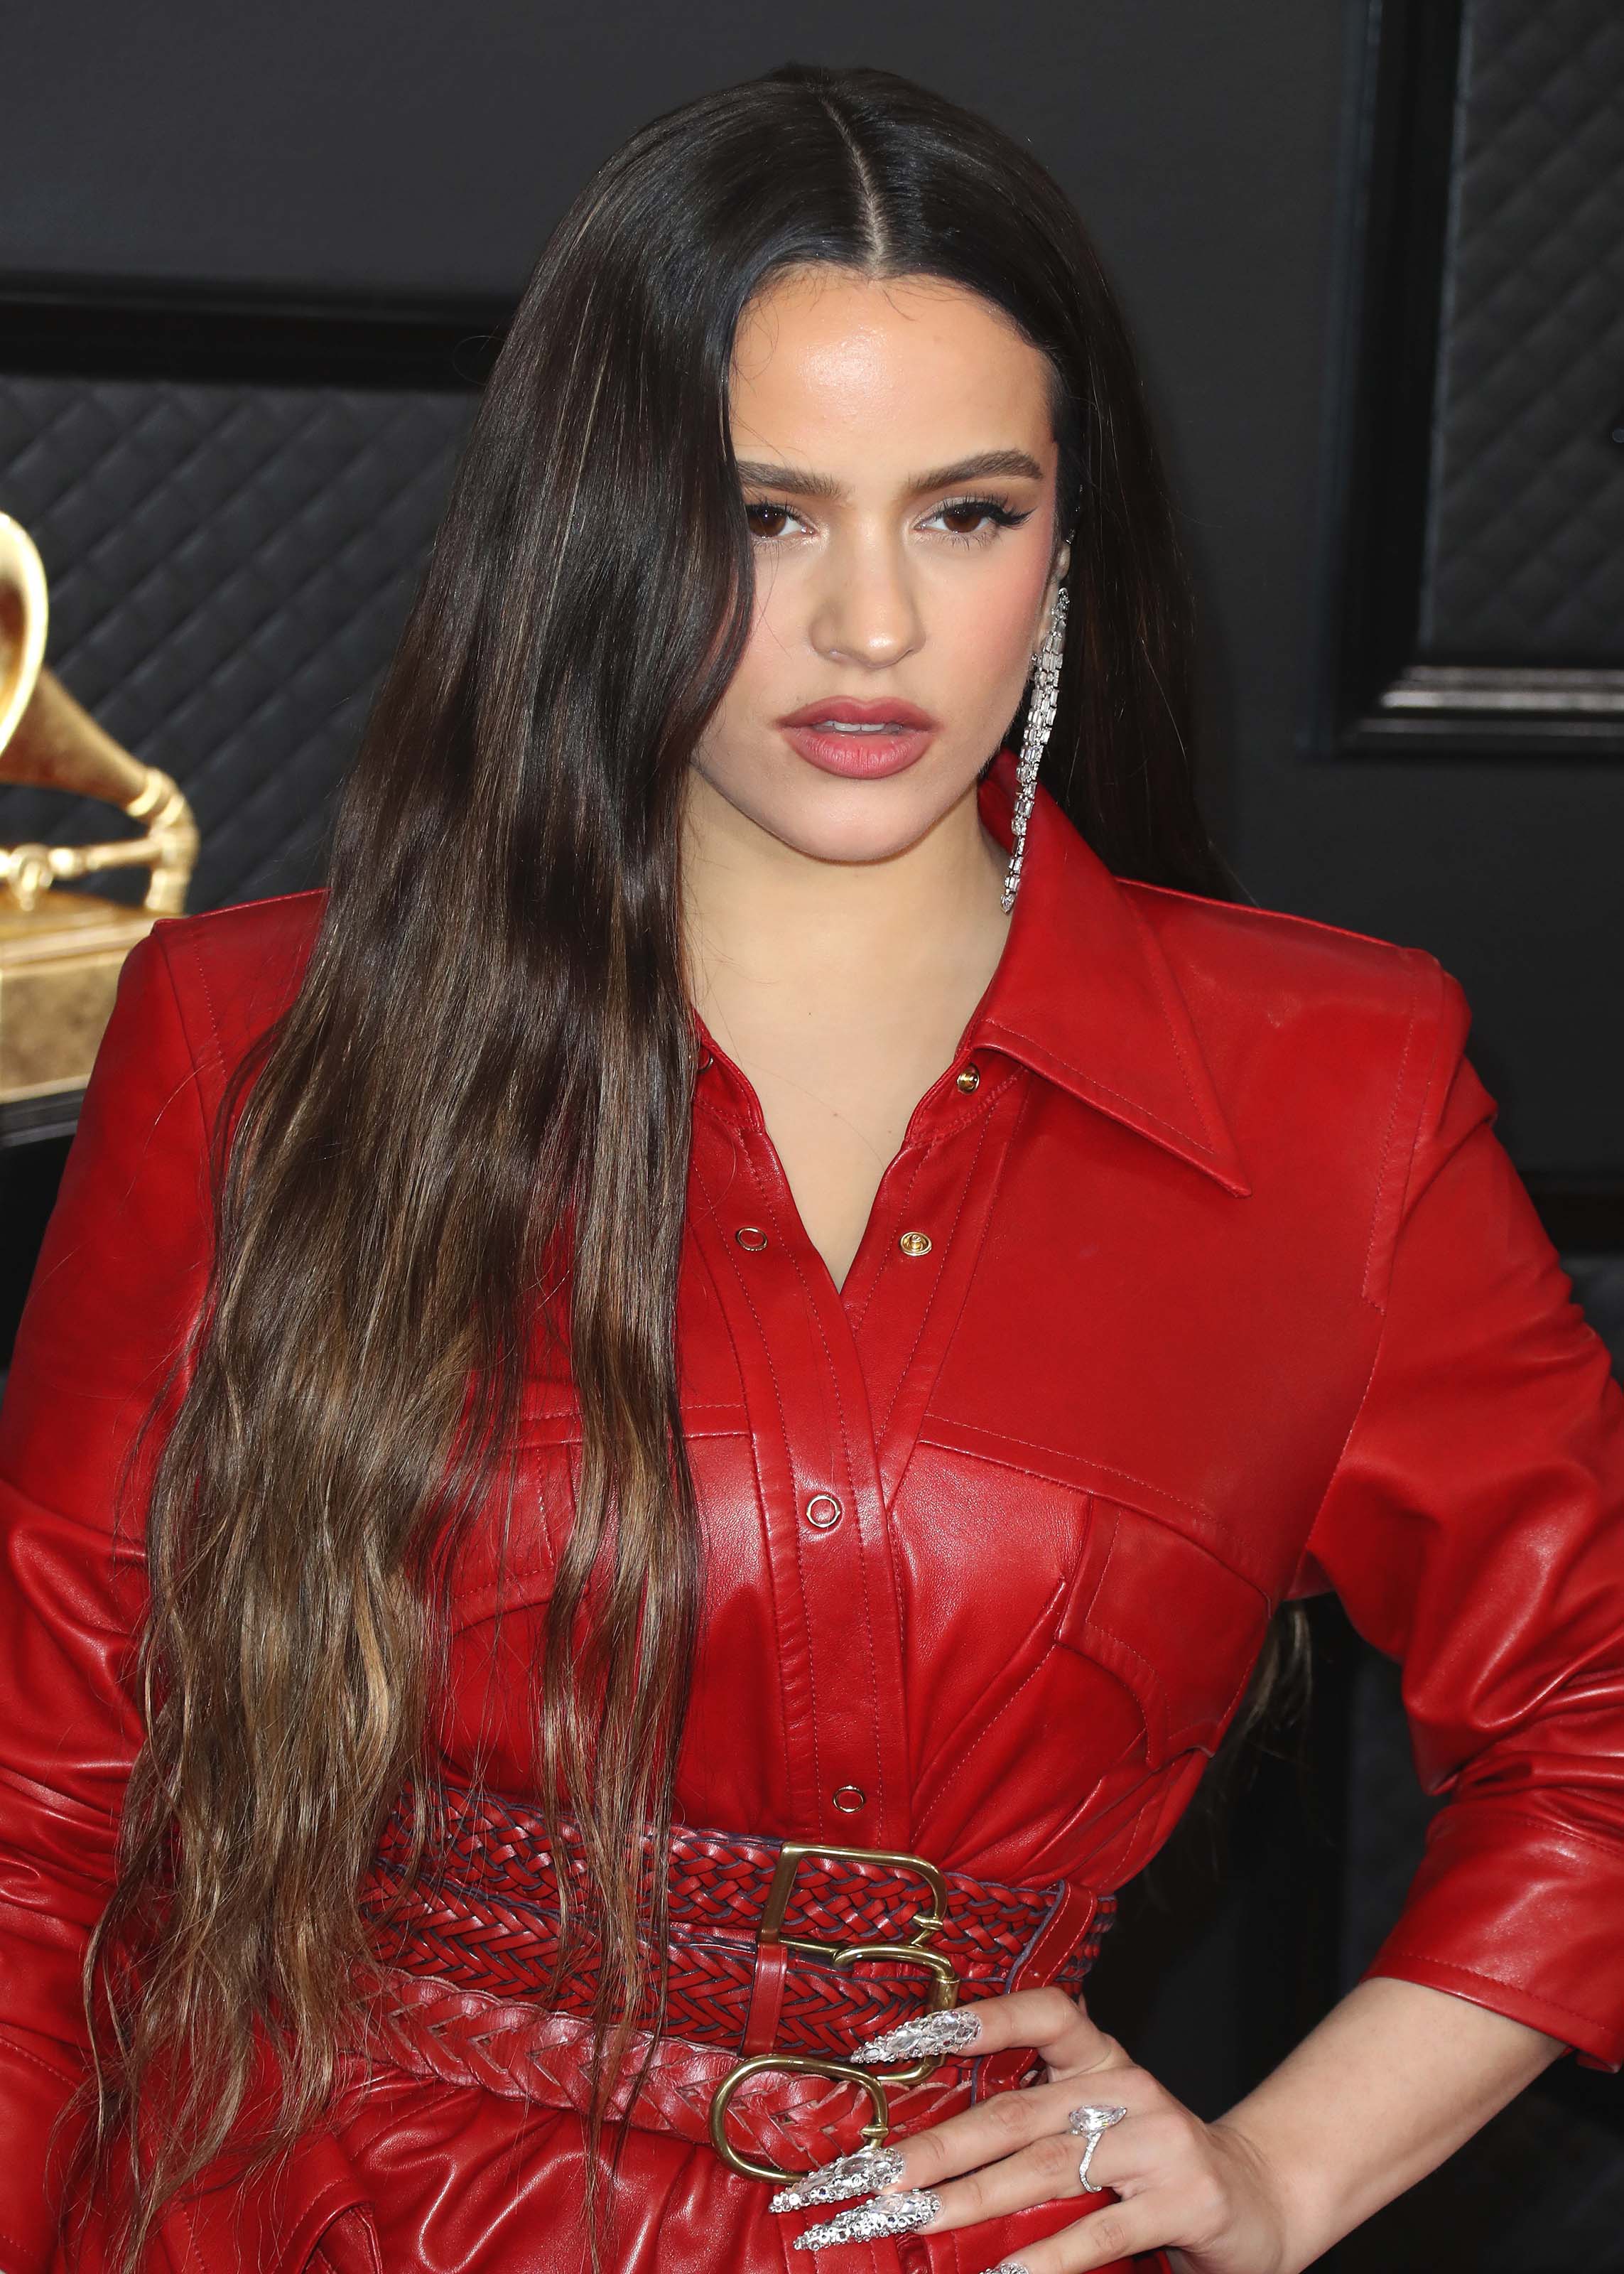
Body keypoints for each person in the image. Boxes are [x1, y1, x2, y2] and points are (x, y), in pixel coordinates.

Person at [1, 57, 1620, 2274]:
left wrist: (1286, 2168)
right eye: (764, 514)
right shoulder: (255, 1045)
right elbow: (35, 1812)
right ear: (600, 525)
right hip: (303, 2213)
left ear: (1068, 537)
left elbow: (1596, 1719)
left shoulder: (1330, 1085)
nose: (871, 627)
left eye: (965, 513)